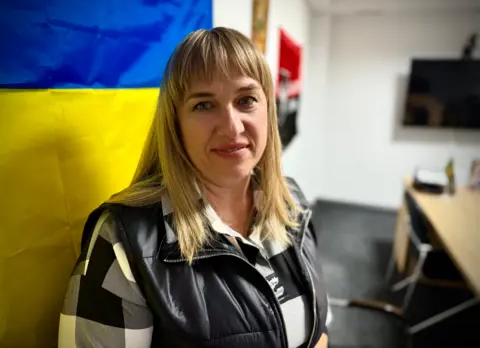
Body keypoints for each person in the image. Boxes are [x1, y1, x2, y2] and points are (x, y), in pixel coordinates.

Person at [58, 27, 329, 348]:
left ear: (268, 111)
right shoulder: (123, 241)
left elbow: (317, 330)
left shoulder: (292, 201)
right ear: (175, 124)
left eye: (246, 100)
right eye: (204, 105)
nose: (231, 125)